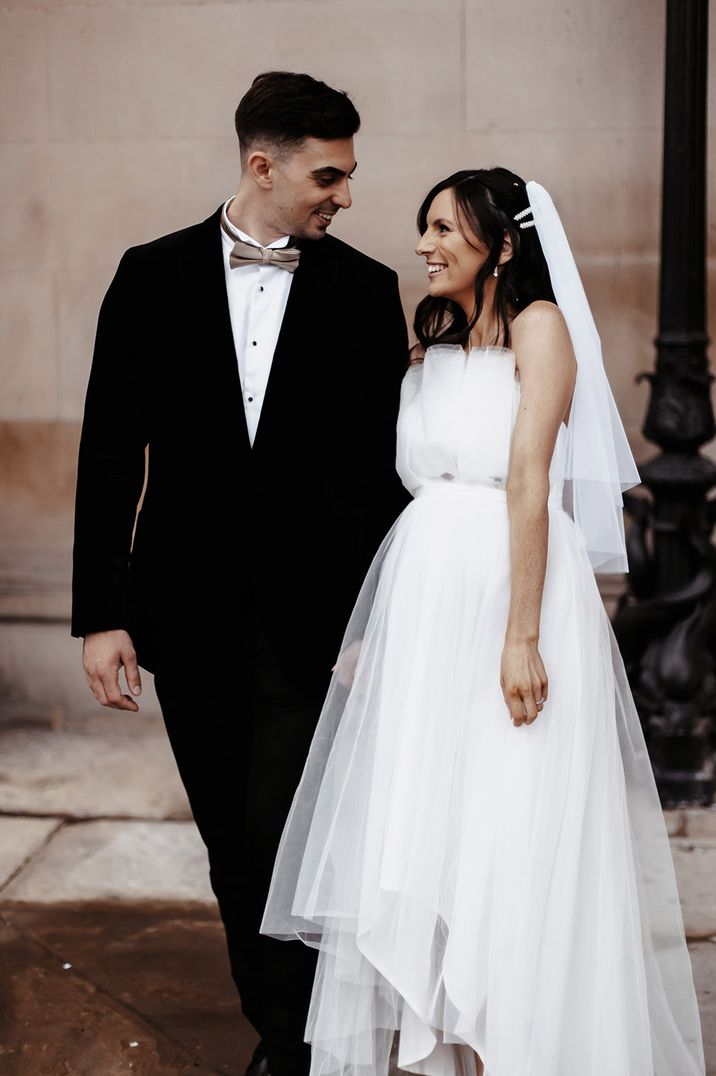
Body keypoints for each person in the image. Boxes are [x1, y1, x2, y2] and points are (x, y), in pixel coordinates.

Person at [260, 169, 706, 1075]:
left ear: (502, 246)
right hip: (426, 600)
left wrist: (521, 635)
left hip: (509, 593)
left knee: (506, 832)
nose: (424, 244)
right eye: (422, 226)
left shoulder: (542, 331)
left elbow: (532, 485)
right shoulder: (434, 340)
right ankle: (447, 1050)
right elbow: (406, 495)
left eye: (446, 231)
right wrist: (379, 632)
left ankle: (517, 1046)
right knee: (429, 834)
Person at [71, 71, 410, 1076]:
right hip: (187, 612)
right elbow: (106, 452)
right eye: (328, 174)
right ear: (262, 165)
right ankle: (280, 1023)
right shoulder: (148, 275)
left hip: (315, 629)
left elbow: (381, 476)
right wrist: (102, 614)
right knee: (230, 844)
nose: (342, 195)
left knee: (283, 839)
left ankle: (293, 1043)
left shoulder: (362, 290)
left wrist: (372, 622)